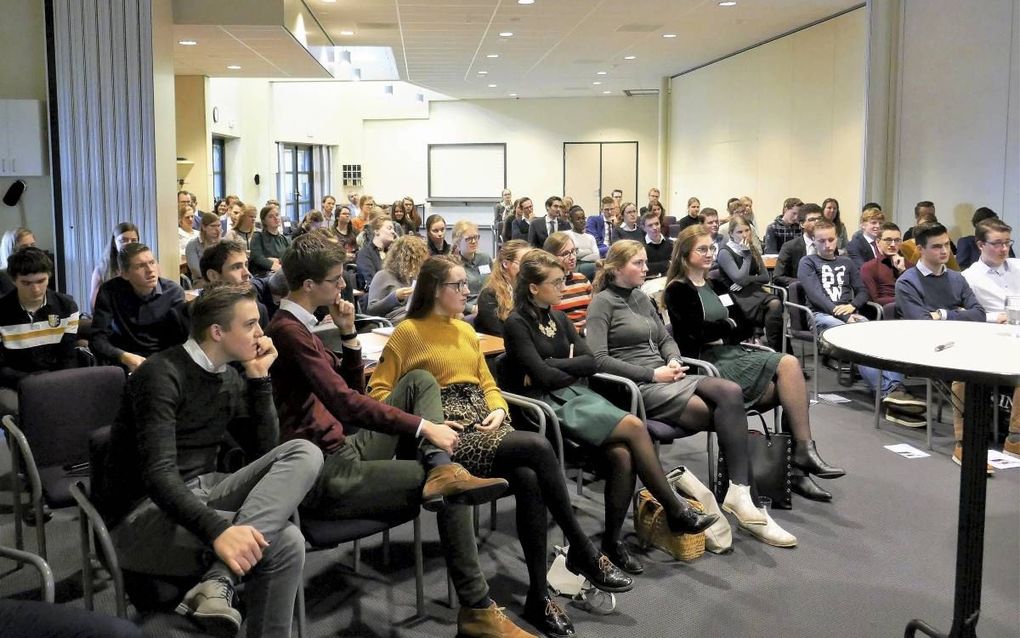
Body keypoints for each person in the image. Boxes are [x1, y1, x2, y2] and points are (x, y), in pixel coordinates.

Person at [266, 235, 531, 638]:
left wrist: (349, 334)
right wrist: (425, 427)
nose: (343, 288)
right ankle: (477, 610)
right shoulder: (288, 332)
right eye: (336, 280)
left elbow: (350, 390)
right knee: (455, 489)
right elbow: (347, 405)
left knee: (419, 379)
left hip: (344, 445)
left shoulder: (303, 327)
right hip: (325, 470)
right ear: (309, 286)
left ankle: (441, 469)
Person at [368, 254, 633, 637]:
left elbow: (488, 383)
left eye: (464, 284)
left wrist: (497, 408)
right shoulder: (408, 332)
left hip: (484, 419)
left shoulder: (463, 331)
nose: (466, 291)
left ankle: (538, 597)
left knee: (527, 477)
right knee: (539, 449)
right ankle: (582, 549)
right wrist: (428, 423)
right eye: (457, 285)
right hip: (445, 436)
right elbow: (379, 393)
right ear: (435, 291)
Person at [101, 283, 324, 638]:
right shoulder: (160, 374)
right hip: (140, 517)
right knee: (285, 541)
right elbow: (159, 476)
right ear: (217, 332)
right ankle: (221, 582)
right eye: (250, 324)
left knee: (304, 451)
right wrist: (219, 531)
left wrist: (259, 377)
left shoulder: (229, 378)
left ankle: (219, 579)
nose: (260, 333)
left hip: (202, 491)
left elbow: (264, 451)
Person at [502, 250, 718, 583]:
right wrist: (557, 371)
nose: (563, 286)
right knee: (632, 425)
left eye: (562, 281)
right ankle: (675, 509)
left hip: (575, 396)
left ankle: (612, 543)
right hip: (541, 408)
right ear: (533, 287)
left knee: (622, 455)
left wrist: (554, 368)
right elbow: (541, 380)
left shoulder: (557, 318)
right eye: (556, 282)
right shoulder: (517, 323)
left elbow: (589, 361)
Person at [586, 240, 795, 546]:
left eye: (646, 262)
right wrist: (651, 373)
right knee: (725, 415)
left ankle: (739, 491)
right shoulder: (602, 303)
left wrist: (672, 358)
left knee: (729, 391)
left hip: (667, 375)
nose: (647, 269)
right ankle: (746, 500)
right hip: (638, 386)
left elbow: (665, 338)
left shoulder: (641, 299)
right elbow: (598, 359)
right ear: (617, 269)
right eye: (639, 264)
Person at [664, 227, 844, 502]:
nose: (710, 254)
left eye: (712, 248)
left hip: (734, 353)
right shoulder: (678, 290)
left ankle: (802, 455)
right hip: (707, 364)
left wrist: (723, 329)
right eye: (703, 249)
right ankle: (799, 465)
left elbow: (747, 324)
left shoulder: (717, 285)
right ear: (685, 254)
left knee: (789, 366)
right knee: (789, 387)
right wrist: (727, 326)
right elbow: (694, 335)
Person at [798, 221, 927, 426]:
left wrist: (852, 307)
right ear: (813, 241)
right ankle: (891, 391)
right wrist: (842, 315)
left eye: (831, 239)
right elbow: (815, 295)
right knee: (855, 338)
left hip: (850, 315)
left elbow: (862, 292)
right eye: (821, 241)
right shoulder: (808, 262)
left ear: (837, 238)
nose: (827, 245)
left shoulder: (847, 263)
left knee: (880, 336)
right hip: (821, 316)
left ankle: (894, 390)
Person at [896, 222, 987, 470]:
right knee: (966, 370)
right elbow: (923, 323)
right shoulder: (907, 282)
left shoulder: (957, 278)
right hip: (926, 345)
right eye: (937, 247)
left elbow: (979, 314)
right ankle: (964, 442)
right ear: (920, 249)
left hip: (964, 339)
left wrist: (943, 315)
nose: (944, 251)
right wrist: (957, 312)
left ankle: (1014, 436)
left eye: (946, 245)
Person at [962, 218, 1020, 458]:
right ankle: (1015, 437)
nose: (1004, 249)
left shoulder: (1018, 267)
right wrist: (996, 316)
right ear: (980, 245)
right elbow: (966, 315)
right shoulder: (969, 277)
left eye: (1007, 243)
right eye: (997, 243)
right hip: (994, 338)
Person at [0, 247, 80, 416]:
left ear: (49, 276)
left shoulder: (67, 307)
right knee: (23, 412)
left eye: (41, 281)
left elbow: (68, 356)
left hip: (56, 378)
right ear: (14, 280)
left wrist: (54, 383)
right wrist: (32, 382)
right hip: (13, 383)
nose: (36, 289)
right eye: (26, 283)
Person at [91, 243, 188, 372]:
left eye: (152, 262)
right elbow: (98, 338)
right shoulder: (110, 291)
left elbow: (182, 339)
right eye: (141, 266)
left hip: (162, 361)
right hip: (124, 359)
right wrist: (123, 356)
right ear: (125, 274)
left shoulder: (173, 292)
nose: (150, 270)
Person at [716, 214, 784, 352]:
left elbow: (765, 277)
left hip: (753, 291)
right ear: (731, 234)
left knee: (775, 303)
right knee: (771, 306)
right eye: (739, 232)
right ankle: (762, 340)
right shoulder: (725, 252)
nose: (744, 235)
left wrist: (747, 281)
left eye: (747, 230)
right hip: (735, 294)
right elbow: (738, 279)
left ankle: (776, 348)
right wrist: (746, 258)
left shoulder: (751, 248)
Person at [200, 239, 273, 327]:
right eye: (236, 267)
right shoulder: (193, 315)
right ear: (213, 276)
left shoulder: (259, 309)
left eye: (246, 265)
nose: (247, 273)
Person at [367, 234, 429, 324]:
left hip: (413, 317)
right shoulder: (382, 276)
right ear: (406, 260)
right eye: (417, 261)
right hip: (395, 321)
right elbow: (371, 311)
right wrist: (395, 297)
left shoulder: (414, 277)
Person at [475, 240, 531, 337]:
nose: (529, 268)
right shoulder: (489, 295)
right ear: (506, 264)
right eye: (523, 263)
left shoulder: (528, 290)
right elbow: (499, 333)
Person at [544, 232, 594, 334]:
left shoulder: (582, 279)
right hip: (564, 336)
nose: (572, 257)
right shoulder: (546, 285)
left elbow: (594, 312)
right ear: (551, 257)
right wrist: (580, 332)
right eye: (565, 254)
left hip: (589, 332)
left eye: (573, 251)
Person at [861, 222, 913, 306]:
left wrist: (903, 271)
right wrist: (903, 299)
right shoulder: (869, 267)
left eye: (897, 240)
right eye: (888, 240)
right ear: (878, 242)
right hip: (886, 311)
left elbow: (917, 294)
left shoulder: (909, 266)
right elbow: (874, 300)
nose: (893, 245)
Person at [89, 222, 139, 310]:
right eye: (123, 240)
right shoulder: (102, 270)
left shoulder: (150, 265)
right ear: (114, 243)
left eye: (134, 240)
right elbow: (94, 304)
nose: (129, 244)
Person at [773, 204, 825, 287]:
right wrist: (804, 283)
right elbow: (777, 277)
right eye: (812, 219)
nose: (817, 222)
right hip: (801, 290)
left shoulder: (828, 243)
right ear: (802, 224)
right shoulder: (790, 247)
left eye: (819, 219)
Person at [451, 220, 493, 314]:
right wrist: (472, 309)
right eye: (468, 239)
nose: (474, 241)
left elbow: (495, 282)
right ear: (457, 242)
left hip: (489, 305)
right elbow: (452, 296)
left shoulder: (485, 258)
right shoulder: (453, 265)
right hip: (467, 311)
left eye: (476, 237)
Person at [355, 215, 397, 293]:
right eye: (389, 228)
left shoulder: (393, 253)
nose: (393, 232)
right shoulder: (365, 253)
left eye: (393, 229)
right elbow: (370, 282)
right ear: (376, 231)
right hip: (374, 297)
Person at [184, 212, 223, 288]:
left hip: (222, 280)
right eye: (213, 226)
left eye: (219, 226)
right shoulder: (192, 245)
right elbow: (197, 271)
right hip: (202, 281)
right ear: (204, 227)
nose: (217, 229)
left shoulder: (223, 243)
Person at [249, 205, 290, 277]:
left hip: (282, 272)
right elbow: (257, 258)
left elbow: (290, 257)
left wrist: (278, 261)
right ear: (264, 221)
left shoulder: (284, 239)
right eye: (271, 216)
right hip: (263, 274)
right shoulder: (258, 236)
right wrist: (273, 265)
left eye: (277, 215)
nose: (276, 218)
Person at [565, 205, 599, 277]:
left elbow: (596, 255)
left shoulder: (590, 237)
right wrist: (589, 251)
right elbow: (573, 255)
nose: (582, 221)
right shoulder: (567, 235)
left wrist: (581, 255)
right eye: (578, 219)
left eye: (583, 218)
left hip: (589, 264)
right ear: (571, 220)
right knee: (600, 267)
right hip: (575, 266)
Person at [641, 210, 673, 277]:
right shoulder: (640, 246)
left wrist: (654, 266)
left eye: (657, 224)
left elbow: (675, 265)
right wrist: (667, 264)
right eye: (650, 225)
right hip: (648, 281)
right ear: (644, 228)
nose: (655, 228)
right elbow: (643, 268)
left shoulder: (670, 243)